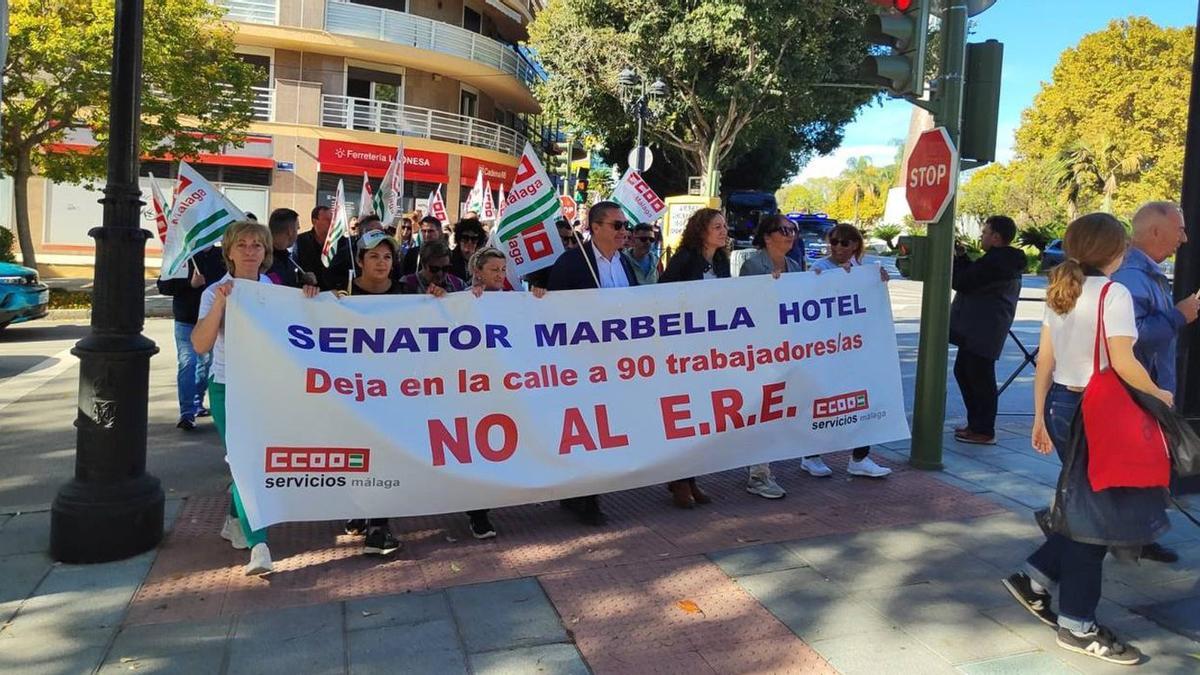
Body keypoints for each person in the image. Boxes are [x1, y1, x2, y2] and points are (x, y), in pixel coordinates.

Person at [1003, 213, 1172, 666]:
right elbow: (1123, 360)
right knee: (1094, 521)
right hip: (1101, 413)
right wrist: (1159, 394)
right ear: (1117, 252)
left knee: (1086, 506)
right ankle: (1076, 625)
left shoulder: (1063, 289)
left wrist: (1039, 415)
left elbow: (1046, 361)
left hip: (1062, 406)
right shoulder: (1113, 293)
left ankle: (1036, 578)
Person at [192, 221, 319, 575]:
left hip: (268, 387)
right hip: (228, 386)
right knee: (245, 461)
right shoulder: (215, 292)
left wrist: (316, 300)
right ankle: (259, 545)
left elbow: (303, 329)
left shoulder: (276, 289)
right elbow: (200, 344)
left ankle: (235, 519)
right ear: (229, 251)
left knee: (251, 461)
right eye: (242, 244)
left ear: (266, 253)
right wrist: (220, 303)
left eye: (257, 245)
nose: (250, 251)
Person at [1111, 201, 1199, 565]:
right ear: (1156, 232)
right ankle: (1070, 528)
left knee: (1149, 467)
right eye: (1179, 229)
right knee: (1135, 468)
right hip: (1139, 394)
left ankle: (1138, 537)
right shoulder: (1132, 277)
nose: (1185, 238)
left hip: (1149, 391)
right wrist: (1179, 315)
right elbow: (1131, 336)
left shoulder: (1145, 273)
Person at [546, 201, 640, 525]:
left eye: (625, 226)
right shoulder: (572, 262)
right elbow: (551, 315)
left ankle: (582, 493)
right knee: (586, 429)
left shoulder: (625, 265)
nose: (624, 232)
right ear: (595, 227)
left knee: (605, 428)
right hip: (579, 364)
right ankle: (585, 498)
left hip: (616, 364)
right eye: (617, 226)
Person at [462, 247, 548, 538]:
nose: (500, 275)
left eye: (503, 270)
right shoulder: (462, 300)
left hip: (508, 387)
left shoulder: (515, 300)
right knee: (476, 451)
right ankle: (477, 513)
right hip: (473, 388)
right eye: (493, 270)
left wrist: (536, 299)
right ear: (478, 272)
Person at [804, 224, 893, 479]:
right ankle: (810, 455)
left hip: (857, 348)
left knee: (863, 401)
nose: (838, 247)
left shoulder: (866, 271)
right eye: (834, 242)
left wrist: (878, 282)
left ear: (855, 244)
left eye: (844, 243)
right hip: (829, 349)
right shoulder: (820, 268)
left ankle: (860, 457)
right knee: (824, 403)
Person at [658, 207, 730, 508]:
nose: (724, 231)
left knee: (704, 417)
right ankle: (680, 481)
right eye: (717, 226)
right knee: (685, 418)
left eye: (725, 226)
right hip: (683, 351)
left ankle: (691, 479)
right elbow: (662, 296)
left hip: (710, 352)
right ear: (702, 230)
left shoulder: (722, 262)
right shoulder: (685, 259)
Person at [737, 214, 803, 499]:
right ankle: (758, 474)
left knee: (776, 408)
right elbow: (747, 307)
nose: (790, 234)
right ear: (767, 236)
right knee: (762, 409)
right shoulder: (754, 266)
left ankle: (760, 467)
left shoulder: (795, 266)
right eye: (783, 230)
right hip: (759, 352)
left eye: (793, 230)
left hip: (785, 350)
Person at [949, 215, 1027, 445]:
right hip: (981, 328)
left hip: (983, 329)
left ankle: (983, 429)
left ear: (996, 237)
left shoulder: (998, 263)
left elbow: (965, 281)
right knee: (965, 371)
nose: (981, 236)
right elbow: (972, 276)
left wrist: (955, 262)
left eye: (984, 232)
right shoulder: (998, 261)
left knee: (978, 376)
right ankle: (977, 424)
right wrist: (962, 259)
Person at [156, 246, 225, 430]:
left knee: (206, 365)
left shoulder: (222, 256)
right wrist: (189, 284)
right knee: (187, 364)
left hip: (211, 322)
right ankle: (187, 413)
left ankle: (197, 402)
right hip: (186, 320)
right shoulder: (181, 255)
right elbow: (163, 285)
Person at [295, 205, 350, 291]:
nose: (332, 223)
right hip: (309, 293)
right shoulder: (300, 241)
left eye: (333, 219)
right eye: (327, 220)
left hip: (336, 293)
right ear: (314, 221)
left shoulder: (343, 242)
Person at [265, 208, 314, 288]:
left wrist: (303, 280)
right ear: (290, 231)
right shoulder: (263, 260)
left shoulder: (286, 258)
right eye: (297, 229)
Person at [399, 240, 467, 295]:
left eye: (445, 268)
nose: (440, 274)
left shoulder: (458, 285)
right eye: (435, 269)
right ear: (423, 265)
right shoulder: (406, 284)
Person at [449, 218, 485, 282]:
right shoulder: (449, 260)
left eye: (474, 239)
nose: (469, 242)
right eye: (465, 238)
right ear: (459, 239)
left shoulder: (483, 261)